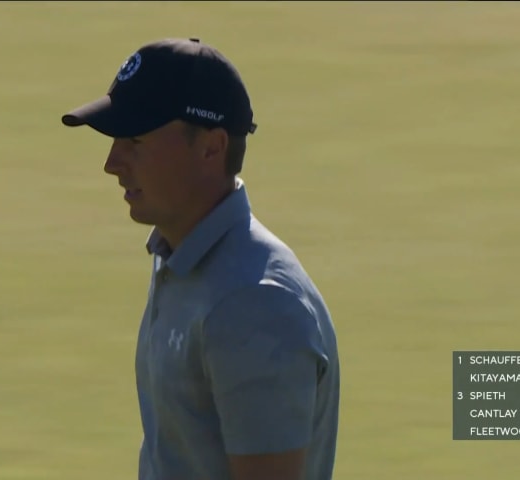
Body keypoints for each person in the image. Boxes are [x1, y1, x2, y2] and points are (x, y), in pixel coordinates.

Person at [61, 37, 340, 480]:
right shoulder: (179, 256)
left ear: (211, 148)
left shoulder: (253, 304)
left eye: (135, 139)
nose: (113, 162)